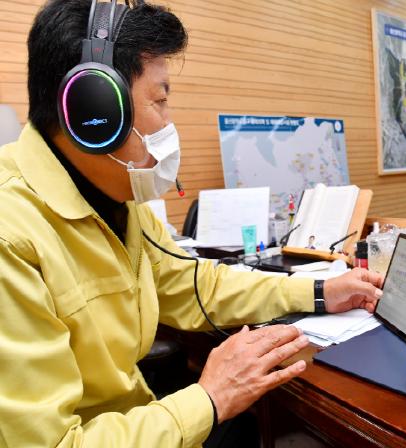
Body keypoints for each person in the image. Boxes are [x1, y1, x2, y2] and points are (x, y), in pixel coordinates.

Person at [0, 2, 385, 447]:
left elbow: (190, 284)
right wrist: (211, 398)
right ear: (96, 111)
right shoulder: (11, 236)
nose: (169, 122)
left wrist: (319, 292)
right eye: (160, 100)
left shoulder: (117, 197)